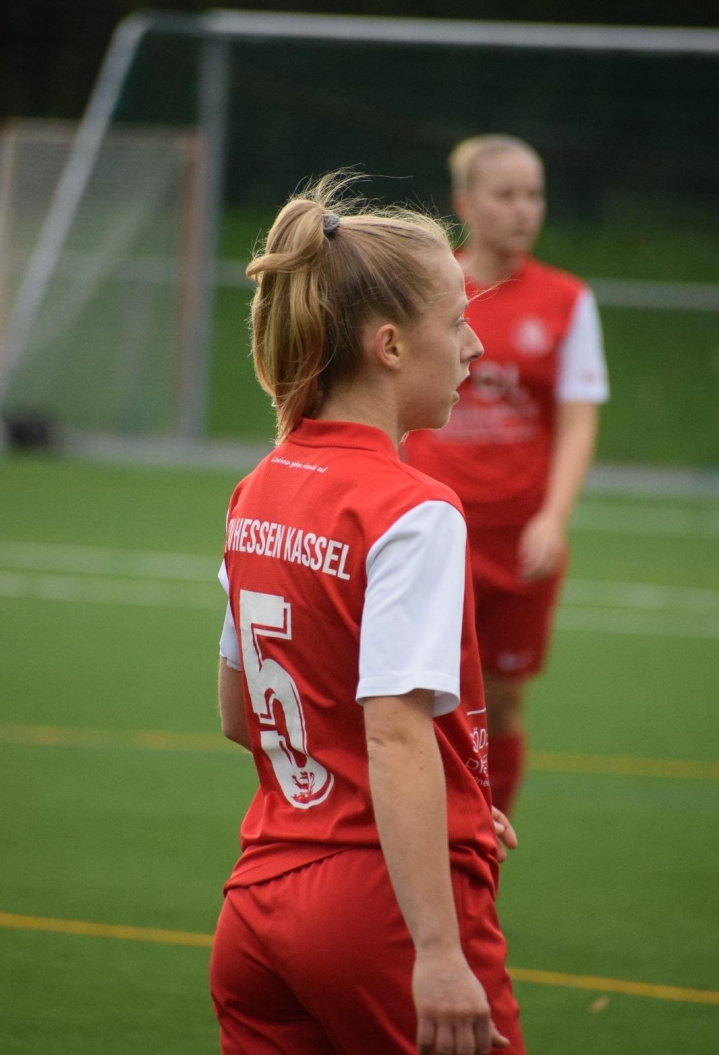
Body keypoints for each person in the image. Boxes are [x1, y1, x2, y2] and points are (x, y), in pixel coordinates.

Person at [210, 174, 526, 1055]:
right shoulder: (412, 509)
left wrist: (449, 798)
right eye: (456, 322)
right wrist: (437, 951)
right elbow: (393, 733)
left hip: (257, 903)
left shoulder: (258, 487)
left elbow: (240, 715)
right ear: (388, 345)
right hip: (376, 911)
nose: (473, 347)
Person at [404, 135, 609, 816]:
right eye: (505, 194)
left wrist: (552, 518)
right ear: (465, 203)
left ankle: (483, 848)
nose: (523, 209)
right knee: (414, 695)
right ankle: (413, 842)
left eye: (534, 194)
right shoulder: (427, 289)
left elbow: (577, 420)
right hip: (433, 532)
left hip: (519, 543)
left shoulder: (566, 300)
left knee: (502, 700)